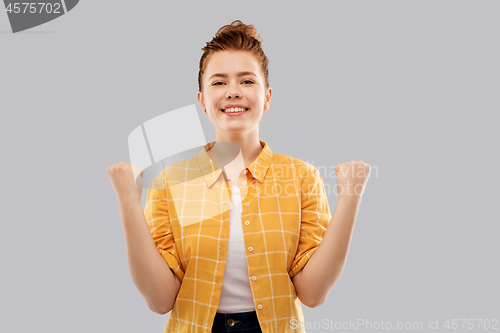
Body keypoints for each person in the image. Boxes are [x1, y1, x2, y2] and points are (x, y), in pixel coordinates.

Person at [106, 20, 371, 333]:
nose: (232, 92)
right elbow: (160, 299)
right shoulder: (171, 181)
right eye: (218, 83)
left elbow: (313, 294)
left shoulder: (302, 177)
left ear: (267, 97)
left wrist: (350, 197)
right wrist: (128, 201)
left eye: (246, 81)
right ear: (203, 100)